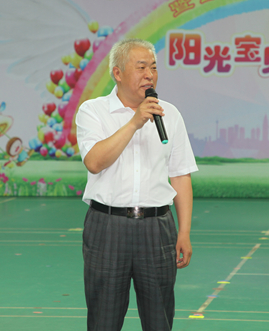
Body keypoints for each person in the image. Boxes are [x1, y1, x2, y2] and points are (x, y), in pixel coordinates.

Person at [75, 38, 198, 331]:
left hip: (157, 228)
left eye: (153, 68)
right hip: (107, 226)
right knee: (103, 320)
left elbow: (180, 174)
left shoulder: (170, 114)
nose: (149, 75)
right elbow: (94, 162)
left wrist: (184, 232)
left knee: (159, 320)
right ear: (117, 73)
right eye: (141, 67)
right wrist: (134, 122)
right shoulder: (93, 111)